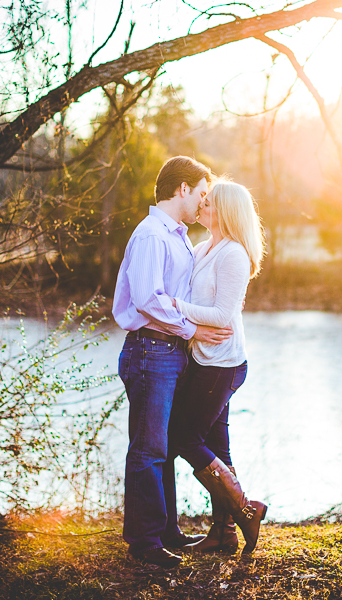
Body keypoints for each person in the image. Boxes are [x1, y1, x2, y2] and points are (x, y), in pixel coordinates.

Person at [112, 156, 232, 569]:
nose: (203, 201)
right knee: (148, 449)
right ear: (182, 189)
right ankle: (144, 543)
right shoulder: (151, 235)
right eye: (201, 193)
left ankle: (166, 532)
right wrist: (192, 330)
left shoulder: (176, 235)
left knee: (162, 446)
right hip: (151, 350)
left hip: (169, 352)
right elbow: (149, 299)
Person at [165, 179, 268, 555]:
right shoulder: (203, 248)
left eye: (209, 203)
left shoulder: (234, 255)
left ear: (226, 212)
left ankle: (245, 510)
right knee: (217, 448)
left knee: (184, 438)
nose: (202, 206)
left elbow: (223, 315)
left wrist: (173, 305)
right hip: (204, 359)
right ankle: (224, 534)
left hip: (222, 364)